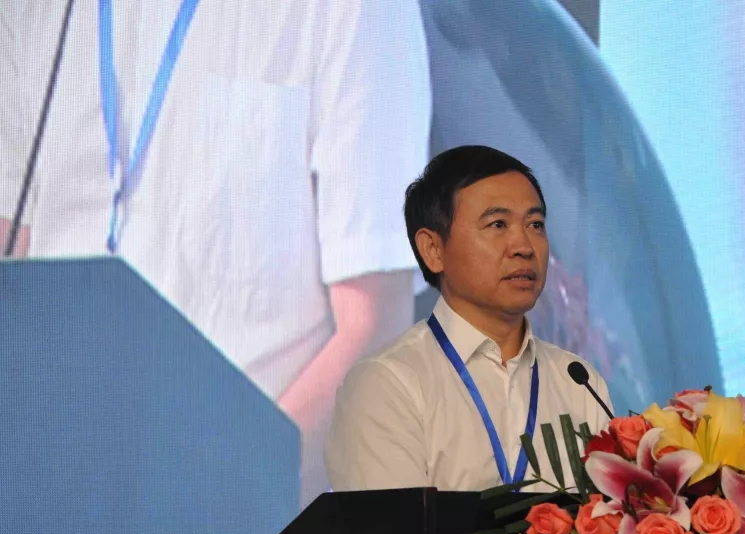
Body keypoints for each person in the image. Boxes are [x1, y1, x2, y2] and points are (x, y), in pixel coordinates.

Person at [0, 0, 432, 507]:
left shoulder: (357, 11)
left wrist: (213, 504)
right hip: (51, 501)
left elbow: (374, 333)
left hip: (238, 517)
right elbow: (12, 252)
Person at [324, 145, 612, 492]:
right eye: (498, 224)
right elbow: (393, 527)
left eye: (535, 224)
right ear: (433, 249)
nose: (523, 246)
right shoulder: (387, 385)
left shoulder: (579, 383)